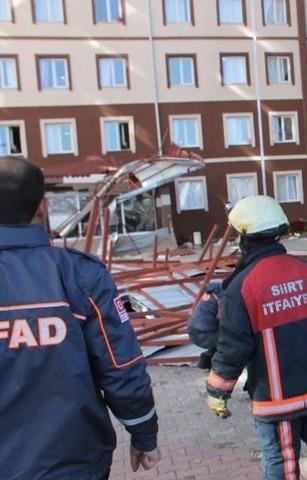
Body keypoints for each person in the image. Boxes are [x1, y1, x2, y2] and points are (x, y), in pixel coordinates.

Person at [0, 156, 160, 479]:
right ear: (43, 207)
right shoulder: (80, 275)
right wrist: (144, 433)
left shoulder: (80, 276)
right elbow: (121, 367)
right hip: (73, 463)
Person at [205, 195, 307, 480]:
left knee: (283, 458)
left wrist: (217, 391)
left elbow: (233, 346)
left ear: (246, 237)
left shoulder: (241, 286)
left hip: (276, 402)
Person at [187, 281, 223, 369]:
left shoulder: (211, 293)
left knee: (219, 339)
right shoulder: (222, 295)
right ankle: (218, 367)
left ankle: (205, 360)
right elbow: (224, 317)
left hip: (192, 329)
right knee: (228, 341)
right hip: (204, 332)